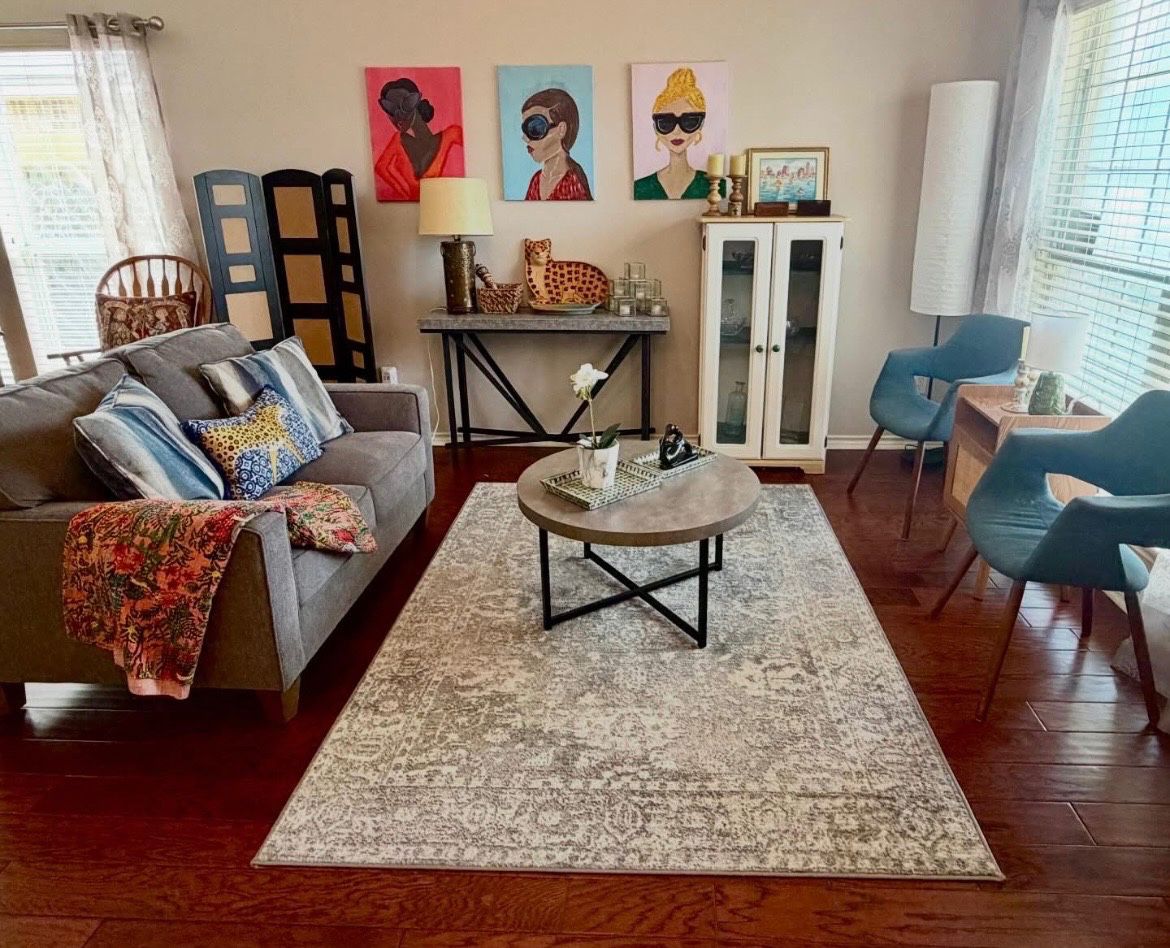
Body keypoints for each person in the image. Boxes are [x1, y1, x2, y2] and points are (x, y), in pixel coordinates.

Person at [373, 78, 463, 201]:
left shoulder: (451, 134)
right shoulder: (398, 140)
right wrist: (403, 192)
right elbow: (380, 167)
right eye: (390, 110)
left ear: (415, 103)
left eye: (405, 105)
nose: (397, 117)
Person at [633, 67, 716, 200]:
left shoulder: (715, 186)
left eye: (689, 122)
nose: (677, 131)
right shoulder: (641, 187)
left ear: (700, 125)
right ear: (656, 129)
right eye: (666, 123)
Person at [520, 88, 592, 201]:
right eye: (525, 129)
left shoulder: (574, 184)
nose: (525, 138)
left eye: (535, 128)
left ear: (561, 130)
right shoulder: (536, 181)